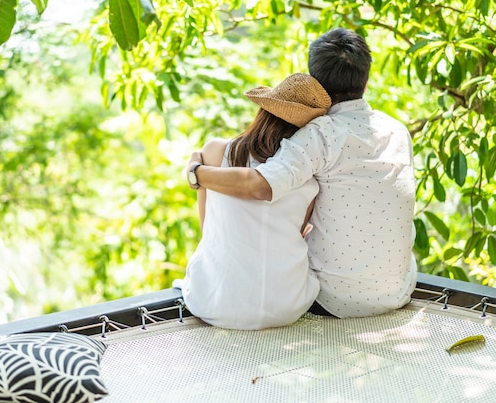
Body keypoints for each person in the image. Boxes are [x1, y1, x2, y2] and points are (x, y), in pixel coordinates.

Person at [186, 28, 417, 318]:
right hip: (397, 291)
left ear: (315, 83)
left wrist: (198, 173)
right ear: (366, 82)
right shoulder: (398, 131)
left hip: (332, 300)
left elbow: (262, 185)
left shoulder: (320, 133)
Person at [176, 73, 332, 330]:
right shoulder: (309, 179)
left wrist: (195, 166)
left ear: (263, 114)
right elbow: (298, 233)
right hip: (288, 305)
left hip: (216, 303)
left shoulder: (215, 152)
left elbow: (208, 231)